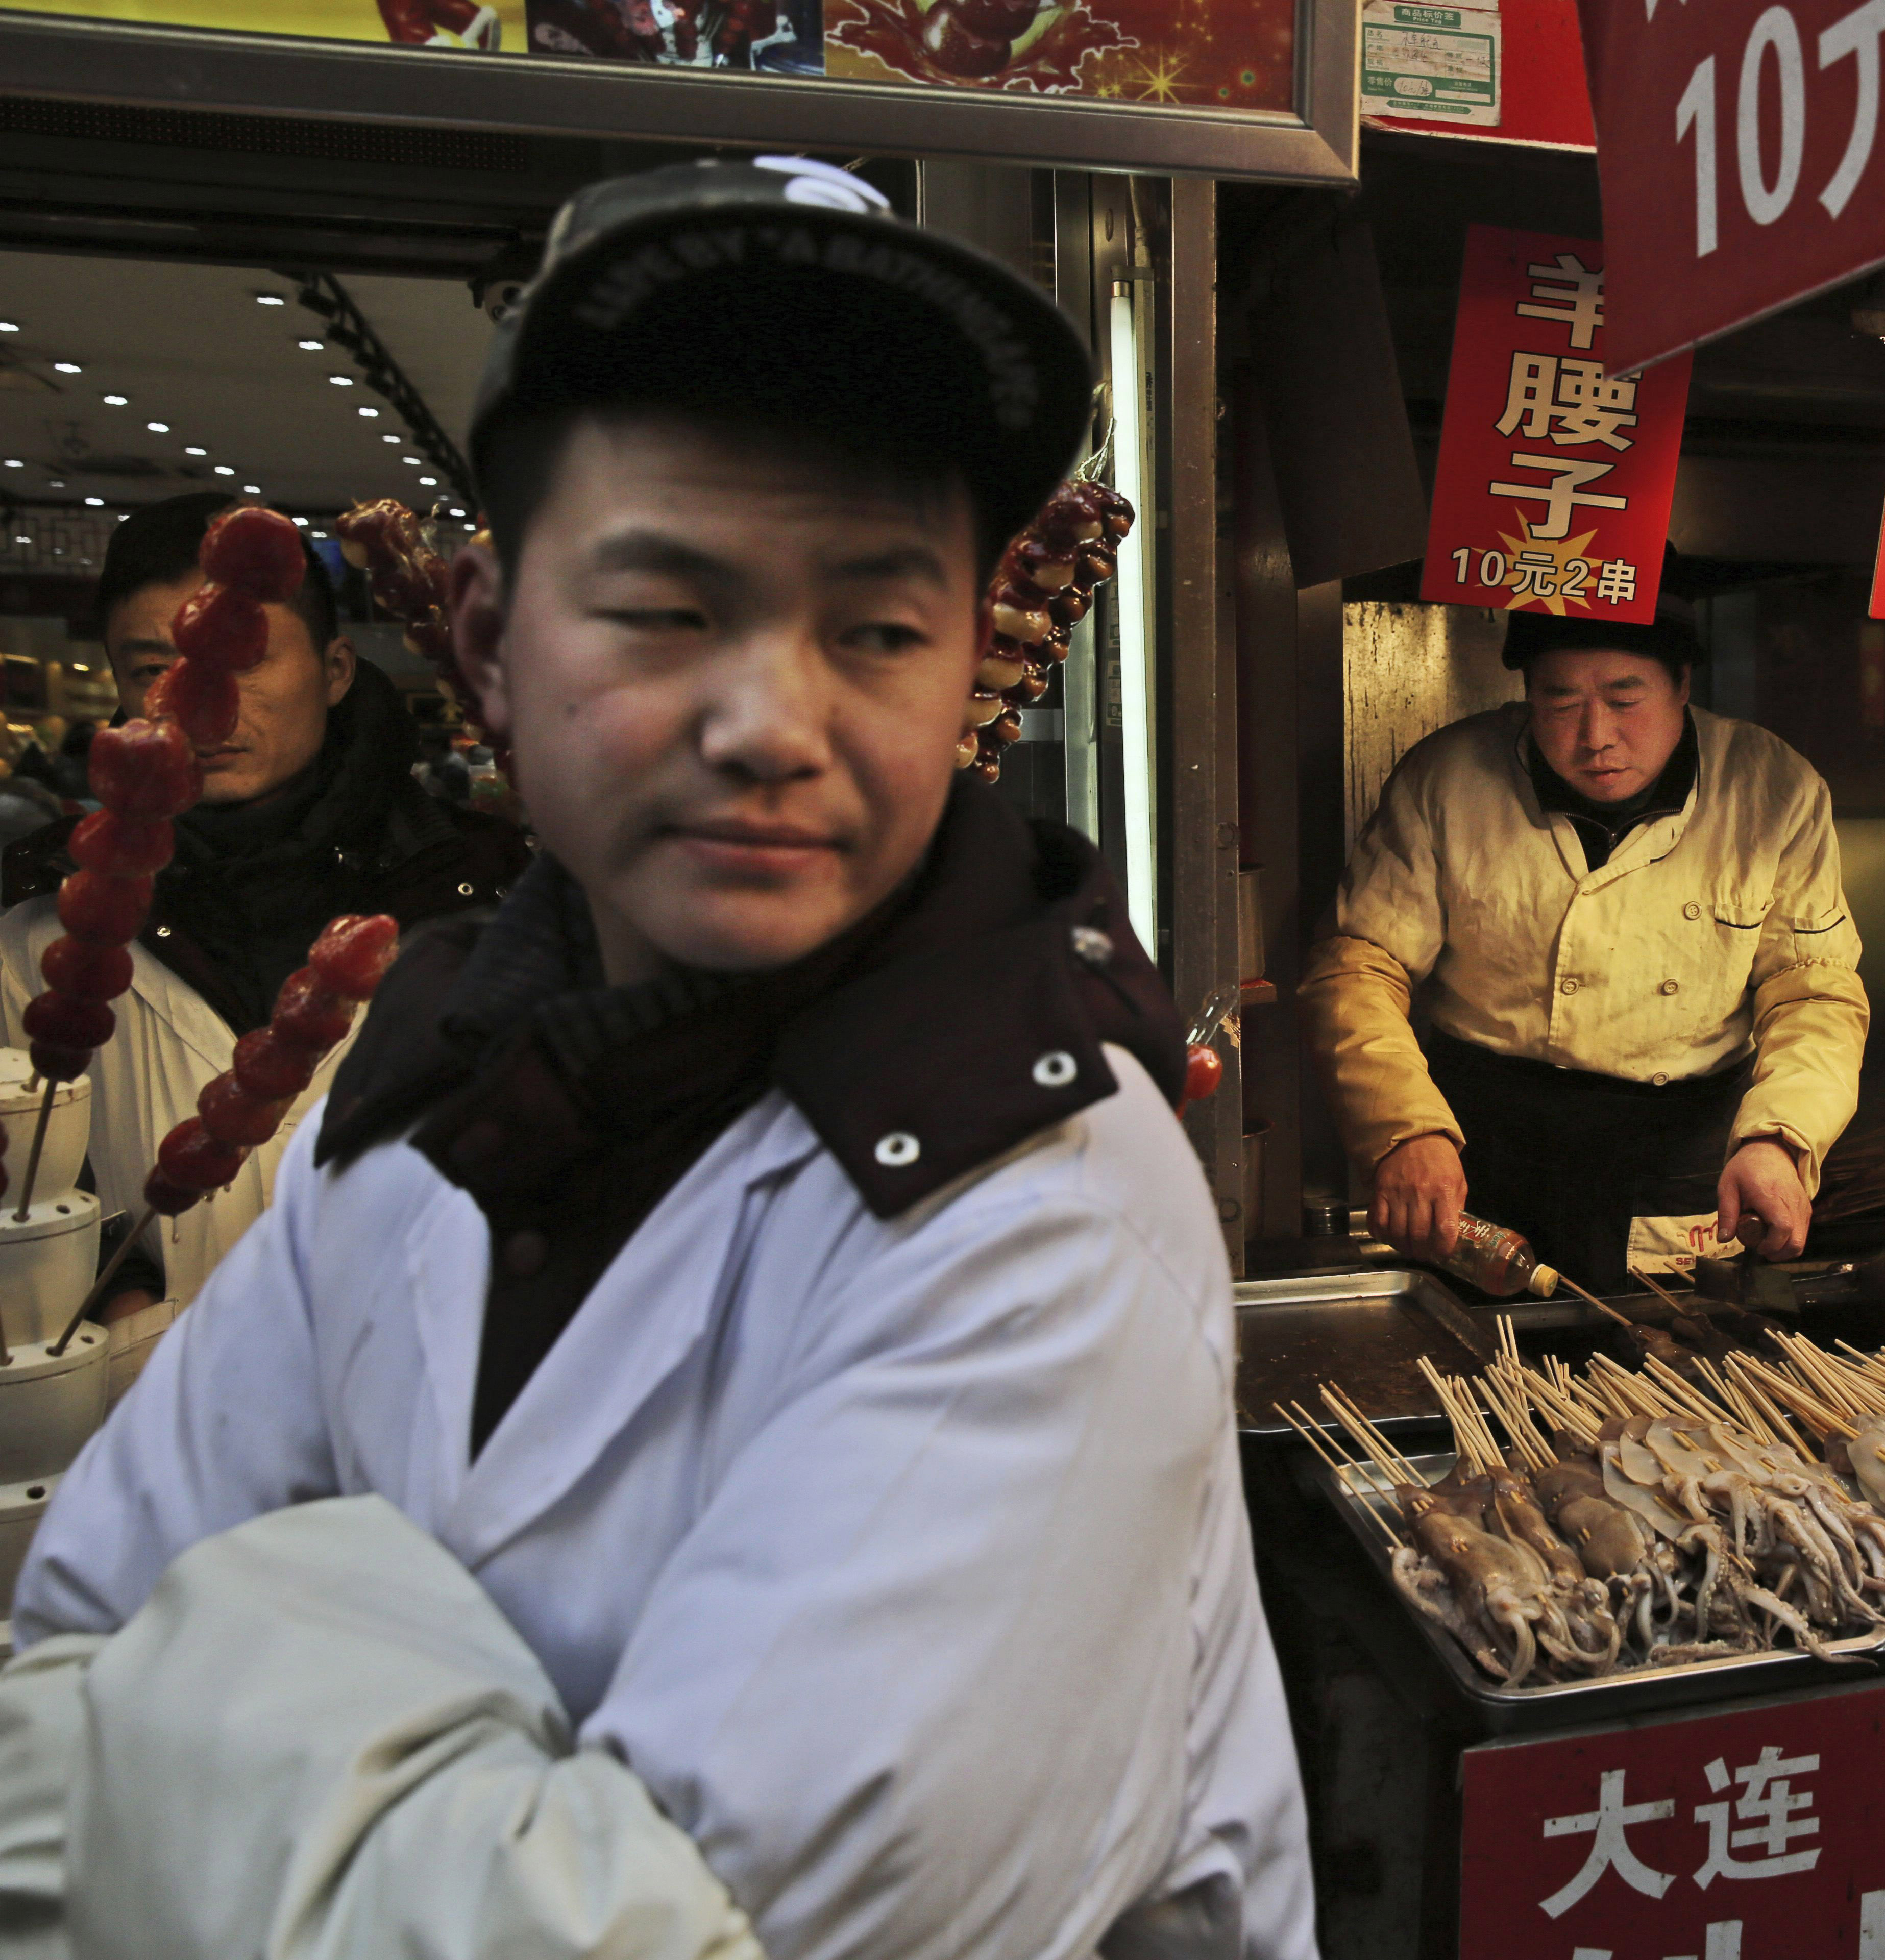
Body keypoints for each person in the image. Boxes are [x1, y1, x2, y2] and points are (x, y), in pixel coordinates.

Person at [0, 157, 1311, 1958]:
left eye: (876, 628)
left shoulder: (1049, 1212)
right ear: (486, 642)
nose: (771, 721)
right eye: (663, 609)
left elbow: (673, 1937)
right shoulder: (415, 1088)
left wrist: (243, 1678)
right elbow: (54, 1674)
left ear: (972, 667)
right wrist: (474, 1799)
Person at [0, 492, 530, 1306]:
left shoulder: (491, 888)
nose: (202, 704)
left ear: (336, 671)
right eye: (151, 670)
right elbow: (26, 1185)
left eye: (245, 657)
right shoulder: (39, 916)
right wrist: (113, 1280)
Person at [1299, 610, 1867, 1287]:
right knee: (1486, 1362)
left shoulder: (1771, 786)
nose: (1595, 736)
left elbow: (1813, 988)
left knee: (1667, 1369)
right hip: (1485, 1144)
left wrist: (1780, 1137)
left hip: (1684, 1155)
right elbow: (1360, 964)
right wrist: (1402, 1128)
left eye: (1625, 700)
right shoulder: (1447, 778)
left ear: (1683, 683)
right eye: (1560, 700)